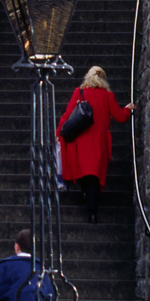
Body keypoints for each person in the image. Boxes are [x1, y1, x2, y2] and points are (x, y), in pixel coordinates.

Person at [58, 65, 134, 223]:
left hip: (80, 140)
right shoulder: (108, 96)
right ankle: (92, 212)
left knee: (83, 171)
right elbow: (120, 117)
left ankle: (84, 193)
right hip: (98, 143)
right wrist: (127, 109)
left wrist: (59, 132)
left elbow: (68, 115)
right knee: (94, 176)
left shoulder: (79, 93)